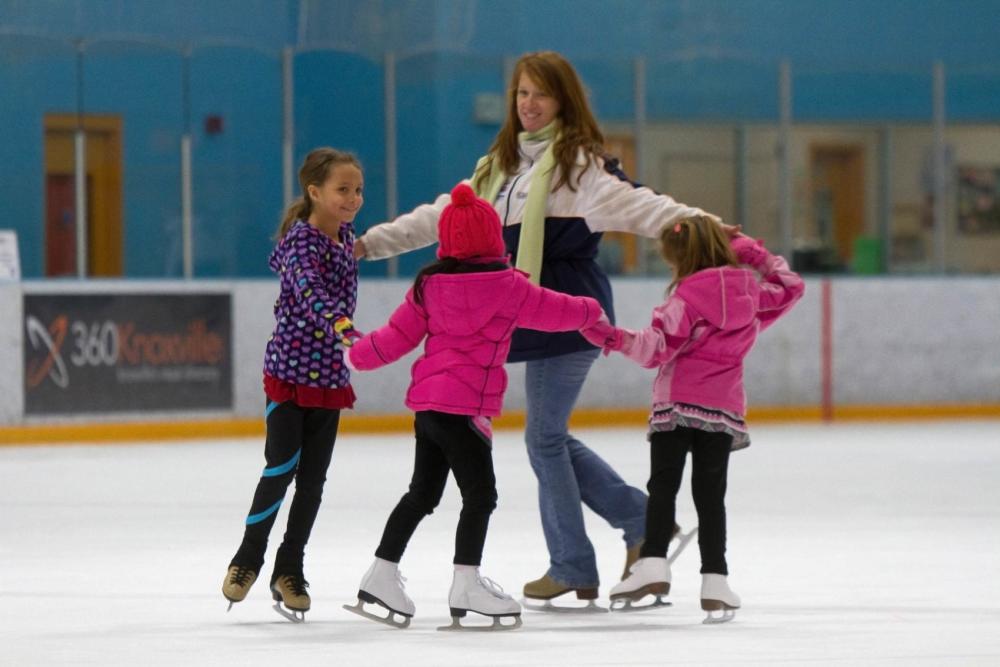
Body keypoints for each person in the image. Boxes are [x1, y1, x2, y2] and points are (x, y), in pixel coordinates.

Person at [353, 50, 725, 605]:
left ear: (563, 101)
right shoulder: (495, 169)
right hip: (520, 312)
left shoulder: (582, 170)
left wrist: (710, 227)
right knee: (547, 437)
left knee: (544, 438)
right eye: (521, 94)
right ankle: (639, 523)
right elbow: (437, 218)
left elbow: (647, 208)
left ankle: (576, 562)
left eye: (541, 95)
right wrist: (365, 245)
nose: (529, 105)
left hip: (569, 312)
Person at [343, 183, 606, 630]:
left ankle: (381, 574)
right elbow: (558, 311)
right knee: (480, 496)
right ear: (493, 238)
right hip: (465, 411)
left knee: (421, 495)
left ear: (448, 241)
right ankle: (466, 583)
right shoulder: (508, 287)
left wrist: (356, 351)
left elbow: (392, 341)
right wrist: (592, 310)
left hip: (428, 409)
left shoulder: (428, 285)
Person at [582, 217, 804, 622]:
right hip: (723, 407)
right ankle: (715, 579)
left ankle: (653, 562)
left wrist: (611, 337)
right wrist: (750, 250)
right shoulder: (751, 292)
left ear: (682, 259)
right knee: (710, 496)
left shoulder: (686, 297)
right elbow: (792, 287)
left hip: (678, 401)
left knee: (663, 486)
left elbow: (655, 349)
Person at [222, 147, 365, 621]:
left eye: (358, 190)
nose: (352, 198)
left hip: (328, 379)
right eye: (342, 190)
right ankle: (247, 560)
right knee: (280, 468)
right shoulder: (302, 240)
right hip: (288, 375)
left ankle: (290, 569)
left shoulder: (346, 238)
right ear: (315, 192)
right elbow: (308, 290)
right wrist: (340, 324)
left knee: (313, 483)